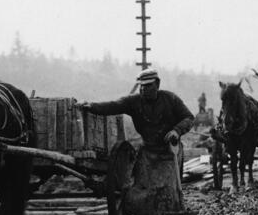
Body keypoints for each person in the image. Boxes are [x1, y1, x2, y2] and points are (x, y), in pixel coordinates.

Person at [78, 68, 194, 202]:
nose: (144, 89)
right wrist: (91, 106)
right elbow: (113, 105)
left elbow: (189, 118)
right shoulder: (133, 102)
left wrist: (176, 131)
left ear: (157, 84)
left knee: (169, 189)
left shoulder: (170, 99)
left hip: (170, 151)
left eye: (148, 85)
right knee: (143, 188)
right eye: (142, 86)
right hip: (147, 151)